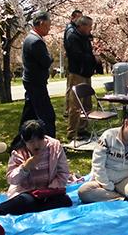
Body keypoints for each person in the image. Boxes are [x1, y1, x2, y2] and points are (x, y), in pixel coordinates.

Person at [0, 120, 72, 216]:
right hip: (28, 193)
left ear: (44, 137)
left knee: (65, 201)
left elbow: (63, 173)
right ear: (24, 140)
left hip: (50, 192)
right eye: (31, 141)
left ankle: (36, 207)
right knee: (26, 202)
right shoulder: (19, 152)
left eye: (39, 140)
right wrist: (24, 168)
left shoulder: (54, 147)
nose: (36, 145)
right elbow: (11, 179)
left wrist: (50, 190)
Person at [78, 110, 128, 203]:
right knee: (84, 191)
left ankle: (115, 196)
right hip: (102, 180)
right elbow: (98, 164)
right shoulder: (109, 136)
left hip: (125, 181)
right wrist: (106, 184)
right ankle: (120, 197)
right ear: (126, 123)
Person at [18, 11, 56, 139]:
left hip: (31, 81)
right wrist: (50, 58)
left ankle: (20, 140)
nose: (49, 29)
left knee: (29, 115)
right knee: (47, 115)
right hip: (36, 82)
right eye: (48, 25)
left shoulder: (31, 38)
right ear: (41, 24)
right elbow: (45, 62)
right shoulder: (35, 41)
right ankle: (50, 142)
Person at [65, 15, 98, 140]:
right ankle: (72, 132)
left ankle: (82, 128)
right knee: (75, 105)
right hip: (77, 73)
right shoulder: (73, 36)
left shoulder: (85, 38)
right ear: (81, 25)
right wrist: (92, 59)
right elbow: (77, 55)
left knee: (87, 104)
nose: (91, 29)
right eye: (89, 26)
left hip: (86, 73)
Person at [63, 9, 83, 119]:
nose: (80, 20)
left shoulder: (75, 29)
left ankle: (69, 110)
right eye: (78, 17)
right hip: (72, 62)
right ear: (72, 18)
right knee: (71, 86)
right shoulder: (71, 31)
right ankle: (67, 110)